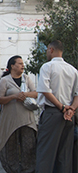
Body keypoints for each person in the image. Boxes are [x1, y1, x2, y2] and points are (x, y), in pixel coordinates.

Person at [36, 40, 78, 173]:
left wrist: (61, 107)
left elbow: (45, 90)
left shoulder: (47, 67)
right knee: (64, 155)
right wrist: (71, 109)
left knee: (45, 154)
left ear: (51, 50)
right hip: (69, 116)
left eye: (47, 50)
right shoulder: (73, 70)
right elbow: (77, 94)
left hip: (53, 113)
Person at [0, 55, 37, 173]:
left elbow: (35, 93)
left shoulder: (26, 78)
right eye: (19, 63)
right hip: (11, 120)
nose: (22, 65)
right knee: (10, 147)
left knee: (29, 146)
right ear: (12, 66)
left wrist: (26, 95)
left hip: (27, 119)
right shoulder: (5, 80)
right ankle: (13, 170)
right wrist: (13, 97)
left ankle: (28, 170)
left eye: (23, 63)